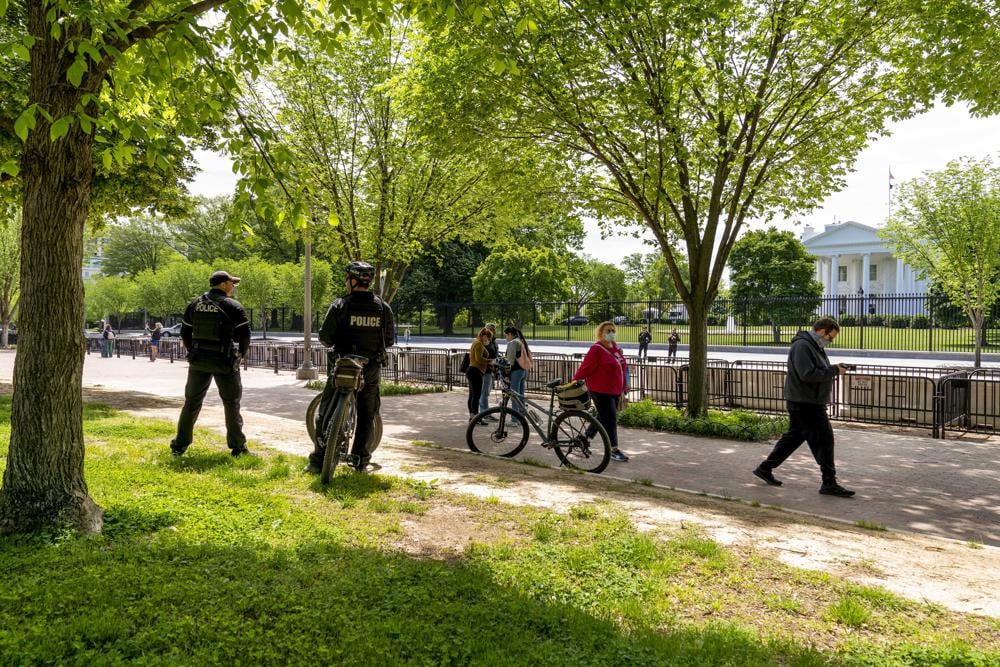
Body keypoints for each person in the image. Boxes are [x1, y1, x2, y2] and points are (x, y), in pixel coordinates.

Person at [306, 261, 395, 474]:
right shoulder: (383, 307)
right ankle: (361, 461)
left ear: (352, 281)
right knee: (367, 413)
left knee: (326, 409)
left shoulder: (340, 305)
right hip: (370, 368)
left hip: (342, 365)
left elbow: (326, 338)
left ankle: (317, 462)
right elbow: (389, 340)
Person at [752, 317, 855, 497]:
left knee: (793, 438)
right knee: (825, 440)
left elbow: (816, 369)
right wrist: (833, 371)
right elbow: (807, 374)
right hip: (806, 403)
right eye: (830, 337)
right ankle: (829, 483)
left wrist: (835, 367)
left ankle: (765, 468)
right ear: (822, 331)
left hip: (806, 401)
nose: (830, 341)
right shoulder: (802, 346)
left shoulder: (813, 346)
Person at [170, 270, 251, 457]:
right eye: (232, 283)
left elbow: (185, 332)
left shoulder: (194, 305)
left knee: (191, 403)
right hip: (224, 361)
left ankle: (179, 446)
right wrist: (241, 355)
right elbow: (245, 334)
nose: (234, 287)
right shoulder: (233, 306)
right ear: (223, 285)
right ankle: (238, 447)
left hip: (199, 361)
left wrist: (192, 352)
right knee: (231, 403)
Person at [572, 321, 630, 463]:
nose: (611, 333)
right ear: (600, 333)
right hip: (600, 390)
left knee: (602, 417)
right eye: (607, 331)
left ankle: (582, 440)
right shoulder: (596, 349)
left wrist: (625, 385)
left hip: (615, 389)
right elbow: (586, 367)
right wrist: (574, 380)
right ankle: (614, 449)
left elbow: (622, 365)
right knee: (610, 419)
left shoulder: (614, 347)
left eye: (612, 330)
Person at [502, 326, 531, 414]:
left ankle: (515, 419)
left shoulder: (513, 342)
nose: (506, 338)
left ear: (510, 334)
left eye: (506, 336)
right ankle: (521, 416)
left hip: (516, 372)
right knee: (521, 396)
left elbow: (510, 361)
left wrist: (506, 374)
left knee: (514, 397)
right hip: (524, 370)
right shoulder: (522, 341)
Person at [466, 327, 492, 423]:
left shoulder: (477, 343)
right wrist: (490, 361)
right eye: (488, 338)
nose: (489, 340)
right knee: (476, 395)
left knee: (472, 395)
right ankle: (476, 417)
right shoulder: (478, 344)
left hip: (473, 371)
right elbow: (479, 359)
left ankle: (473, 416)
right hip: (475, 371)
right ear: (484, 336)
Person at [479, 322, 499, 415]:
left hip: (490, 369)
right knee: (484, 392)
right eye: (490, 329)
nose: (492, 331)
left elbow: (495, 353)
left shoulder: (493, 341)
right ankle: (484, 413)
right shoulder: (484, 341)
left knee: (486, 392)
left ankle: (486, 412)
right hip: (485, 369)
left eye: (493, 329)